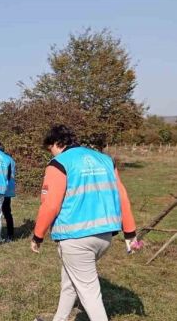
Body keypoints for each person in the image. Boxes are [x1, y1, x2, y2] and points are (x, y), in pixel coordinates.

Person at [31, 125, 138, 321]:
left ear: (57, 143)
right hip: (105, 236)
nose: (51, 153)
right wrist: (130, 233)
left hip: (75, 238)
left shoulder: (59, 163)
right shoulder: (105, 160)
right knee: (70, 282)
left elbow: (50, 205)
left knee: (89, 293)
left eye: (50, 148)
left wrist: (38, 235)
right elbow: (122, 196)